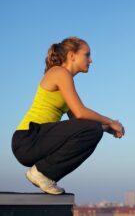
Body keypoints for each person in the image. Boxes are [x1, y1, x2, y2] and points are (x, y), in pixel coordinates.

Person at [11, 37, 125, 195]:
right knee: (92, 129)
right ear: (72, 55)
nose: (91, 60)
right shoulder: (60, 72)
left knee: (93, 130)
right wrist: (111, 121)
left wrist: (106, 128)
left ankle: (44, 173)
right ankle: (43, 173)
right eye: (87, 55)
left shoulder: (64, 78)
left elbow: (78, 120)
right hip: (28, 138)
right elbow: (81, 112)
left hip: (33, 141)